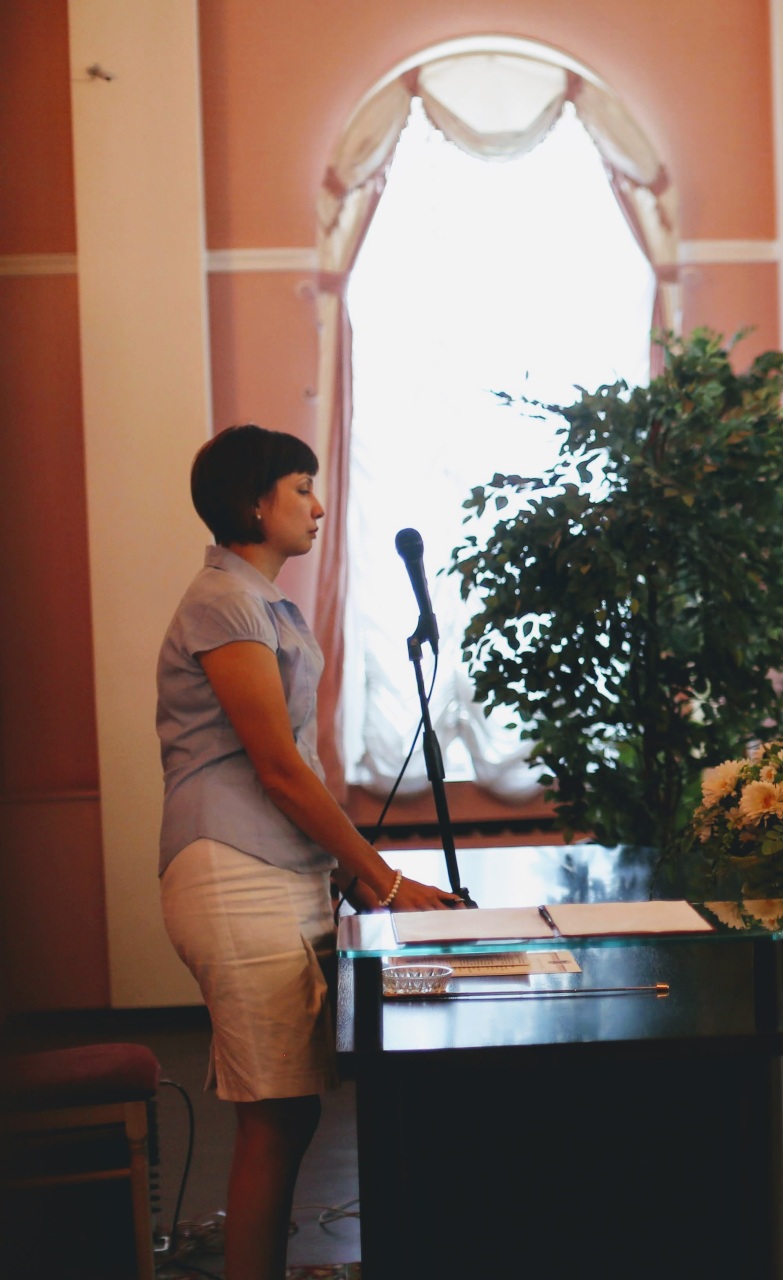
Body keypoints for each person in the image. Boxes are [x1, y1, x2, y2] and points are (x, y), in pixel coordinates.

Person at [157, 425, 462, 1280]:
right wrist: (382, 878)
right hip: (232, 871)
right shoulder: (224, 601)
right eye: (301, 488)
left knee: (289, 1116)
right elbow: (279, 769)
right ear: (254, 502)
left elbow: (297, 767)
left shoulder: (264, 603)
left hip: (274, 871)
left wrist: (348, 877)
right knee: (273, 1116)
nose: (319, 506)